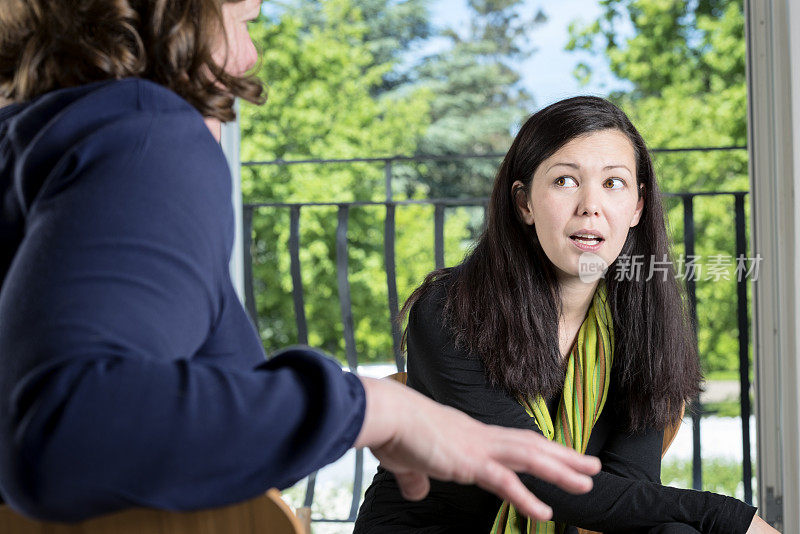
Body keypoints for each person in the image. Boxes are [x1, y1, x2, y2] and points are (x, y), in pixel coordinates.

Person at [0, 0, 604, 524]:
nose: (248, 56)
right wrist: (376, 408)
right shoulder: (145, 136)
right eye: (242, 19)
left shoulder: (36, 146)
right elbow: (70, 431)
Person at [354, 97, 779, 534]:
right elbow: (541, 481)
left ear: (637, 206)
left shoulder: (643, 322)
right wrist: (731, 517)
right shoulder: (450, 311)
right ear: (524, 204)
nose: (590, 205)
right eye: (564, 181)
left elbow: (628, 486)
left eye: (614, 183)